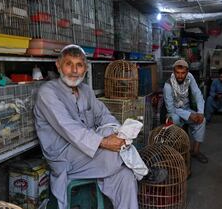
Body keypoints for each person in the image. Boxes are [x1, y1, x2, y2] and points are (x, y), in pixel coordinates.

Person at [34, 45, 140, 209]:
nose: (74, 70)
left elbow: (103, 115)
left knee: (126, 176)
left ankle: (138, 166)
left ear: (85, 68)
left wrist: (119, 134)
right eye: (69, 64)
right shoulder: (47, 92)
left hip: (90, 152)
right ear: (58, 65)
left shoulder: (85, 90)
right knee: (118, 154)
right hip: (64, 157)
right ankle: (145, 169)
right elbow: (69, 128)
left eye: (79, 65)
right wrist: (106, 142)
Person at [163, 59, 208, 163]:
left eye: (183, 73)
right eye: (177, 73)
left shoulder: (190, 77)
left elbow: (197, 94)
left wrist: (200, 112)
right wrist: (189, 115)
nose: (180, 76)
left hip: (186, 108)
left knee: (202, 121)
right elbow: (170, 109)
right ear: (174, 72)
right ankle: (179, 151)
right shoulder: (168, 85)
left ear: (187, 72)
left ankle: (195, 151)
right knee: (175, 119)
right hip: (174, 111)